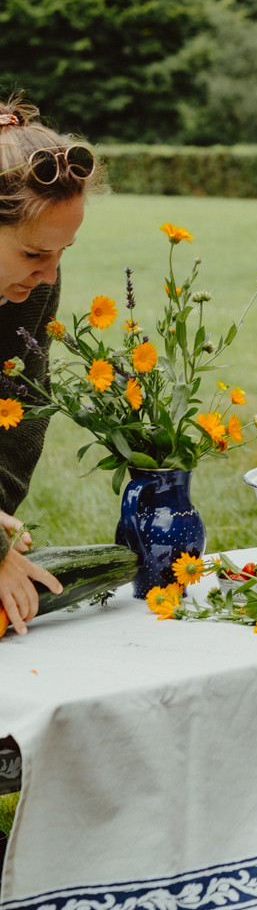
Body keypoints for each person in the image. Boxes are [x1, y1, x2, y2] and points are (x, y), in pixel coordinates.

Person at [0, 99, 102, 635]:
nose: (49, 274)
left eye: (64, 252)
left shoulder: (38, 288)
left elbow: (23, 411)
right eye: (35, 253)